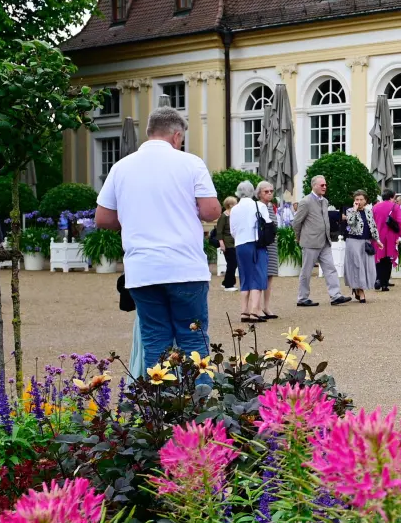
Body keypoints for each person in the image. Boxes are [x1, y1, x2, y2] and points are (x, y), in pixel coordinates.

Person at [94, 106, 220, 364]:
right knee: (193, 338)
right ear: (176, 136)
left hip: (143, 269)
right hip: (184, 266)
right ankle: (197, 402)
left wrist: (134, 219)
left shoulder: (121, 167)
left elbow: (103, 218)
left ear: (150, 132)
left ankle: (160, 402)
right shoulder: (191, 163)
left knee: (155, 341)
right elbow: (210, 212)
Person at [295, 175, 348, 307]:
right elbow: (296, 222)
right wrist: (299, 236)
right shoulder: (305, 201)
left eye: (325, 185)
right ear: (314, 186)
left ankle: (336, 295)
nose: (325, 187)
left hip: (325, 241)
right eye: (322, 185)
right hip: (310, 242)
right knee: (306, 271)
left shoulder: (324, 201)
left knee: (330, 268)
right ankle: (302, 298)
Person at [229, 180, 273, 324]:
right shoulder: (259, 206)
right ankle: (254, 311)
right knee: (258, 276)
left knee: (244, 277)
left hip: (240, 245)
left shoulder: (234, 209)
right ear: (252, 192)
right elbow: (268, 224)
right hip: (255, 244)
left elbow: (233, 231)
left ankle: (244, 311)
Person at [341, 190, 380, 302]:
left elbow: (373, 226)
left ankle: (357, 288)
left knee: (367, 266)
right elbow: (351, 223)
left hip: (366, 242)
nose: (358, 202)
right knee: (357, 266)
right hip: (353, 241)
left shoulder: (369, 211)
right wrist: (354, 210)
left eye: (361, 199)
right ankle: (360, 291)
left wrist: (377, 240)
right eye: (356, 200)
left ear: (365, 201)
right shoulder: (349, 211)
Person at [372, 189, 401, 291]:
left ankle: (378, 279)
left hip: (378, 236)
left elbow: (371, 222)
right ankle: (385, 283)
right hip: (390, 236)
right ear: (392, 197)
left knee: (378, 258)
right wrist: (400, 236)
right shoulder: (395, 207)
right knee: (388, 259)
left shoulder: (375, 207)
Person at [258, 182, 280, 318]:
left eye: (271, 191)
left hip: (272, 244)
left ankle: (266, 306)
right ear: (259, 193)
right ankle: (257, 306)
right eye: (266, 191)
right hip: (262, 244)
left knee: (269, 276)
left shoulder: (271, 206)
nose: (270, 193)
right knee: (260, 275)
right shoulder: (258, 206)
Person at [213, 197, 239, 292]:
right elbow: (219, 231)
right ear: (230, 205)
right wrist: (221, 243)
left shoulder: (233, 215)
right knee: (232, 263)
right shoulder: (223, 216)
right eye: (235, 203)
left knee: (232, 263)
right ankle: (229, 284)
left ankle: (226, 282)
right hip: (227, 243)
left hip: (233, 242)